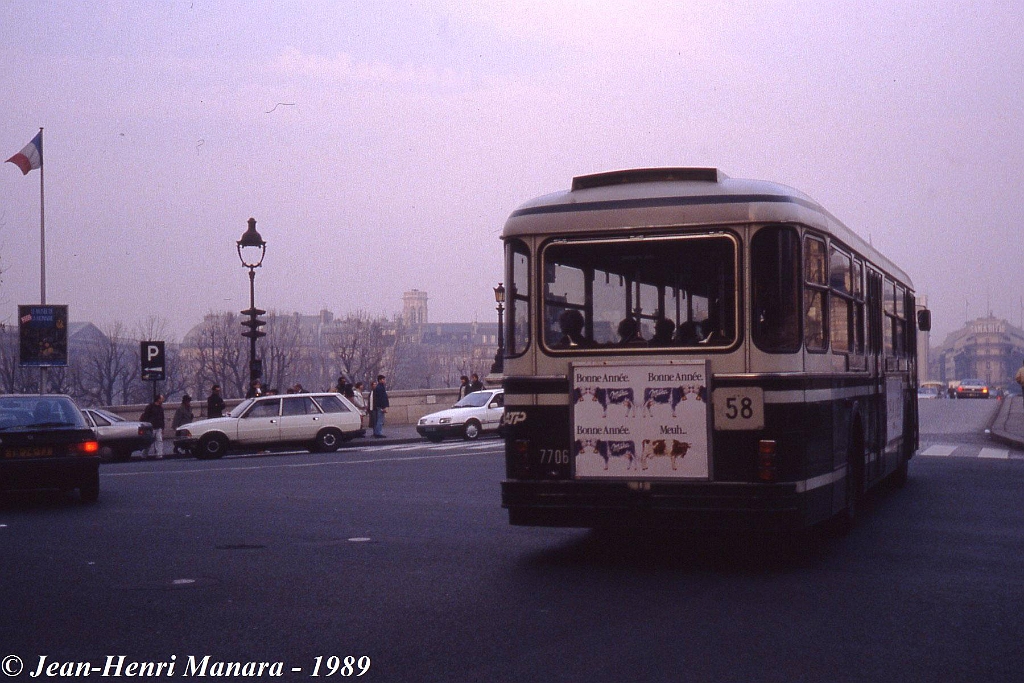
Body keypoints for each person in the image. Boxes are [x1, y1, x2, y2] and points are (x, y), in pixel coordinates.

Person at [140, 394, 166, 459]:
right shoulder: (151, 407)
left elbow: (162, 418)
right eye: (162, 398)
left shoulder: (159, 407)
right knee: (149, 442)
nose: (163, 400)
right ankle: (144, 454)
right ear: (158, 399)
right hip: (151, 427)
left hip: (158, 427)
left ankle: (159, 454)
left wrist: (162, 428)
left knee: (159, 441)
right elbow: (146, 417)